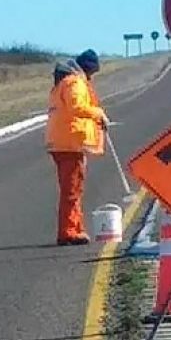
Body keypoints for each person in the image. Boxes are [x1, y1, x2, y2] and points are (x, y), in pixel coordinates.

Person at [45, 49, 109, 245]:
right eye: (92, 72)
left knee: (73, 188)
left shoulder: (63, 83)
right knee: (72, 189)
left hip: (62, 141)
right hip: (69, 143)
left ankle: (75, 228)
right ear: (87, 68)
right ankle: (68, 232)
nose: (91, 77)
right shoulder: (75, 83)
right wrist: (98, 113)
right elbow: (77, 108)